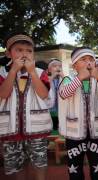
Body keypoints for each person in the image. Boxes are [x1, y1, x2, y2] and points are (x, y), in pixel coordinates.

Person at [0, 33, 52, 180]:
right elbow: (3, 94)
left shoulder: (41, 73)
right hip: (10, 130)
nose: (25, 54)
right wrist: (13, 71)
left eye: (29, 51)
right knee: (16, 166)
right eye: (19, 50)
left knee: (39, 163)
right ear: (8, 53)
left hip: (37, 128)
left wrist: (32, 72)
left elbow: (43, 94)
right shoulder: (2, 73)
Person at [58, 47, 98, 180]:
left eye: (91, 59)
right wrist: (79, 78)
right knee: (75, 169)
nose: (89, 63)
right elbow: (64, 93)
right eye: (83, 60)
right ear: (74, 65)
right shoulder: (68, 79)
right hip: (74, 133)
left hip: (95, 131)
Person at [47, 58, 64, 131]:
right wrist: (52, 76)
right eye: (54, 66)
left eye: (60, 66)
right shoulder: (47, 78)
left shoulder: (64, 78)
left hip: (61, 109)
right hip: (51, 109)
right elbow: (45, 86)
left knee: (60, 126)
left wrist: (63, 77)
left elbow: (69, 86)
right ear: (49, 70)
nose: (58, 68)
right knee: (52, 127)